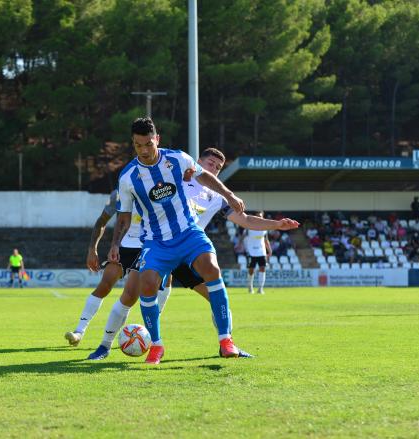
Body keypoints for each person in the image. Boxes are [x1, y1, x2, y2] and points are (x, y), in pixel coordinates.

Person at [109, 117, 293, 364]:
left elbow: (213, 185)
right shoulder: (128, 177)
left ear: (157, 140)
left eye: (148, 144)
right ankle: (156, 345)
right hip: (157, 240)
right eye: (138, 145)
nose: (144, 150)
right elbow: (123, 216)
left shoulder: (179, 161)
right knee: (147, 284)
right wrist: (114, 245)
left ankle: (226, 341)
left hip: (188, 234)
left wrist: (229, 195)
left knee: (212, 270)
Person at [63, 190, 146, 347]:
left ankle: (148, 338)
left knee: (130, 296)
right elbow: (102, 221)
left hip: (149, 245)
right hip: (124, 245)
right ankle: (79, 332)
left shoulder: (156, 185)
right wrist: (92, 249)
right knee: (104, 285)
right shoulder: (119, 193)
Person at [244, 212, 272, 294]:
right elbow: (243, 236)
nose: (259, 218)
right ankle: (250, 287)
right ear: (255, 217)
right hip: (251, 251)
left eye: (261, 216)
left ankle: (260, 288)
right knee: (251, 269)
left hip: (261, 251)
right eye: (258, 216)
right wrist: (240, 244)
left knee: (262, 268)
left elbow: (266, 240)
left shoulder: (264, 228)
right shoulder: (249, 226)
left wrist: (269, 250)